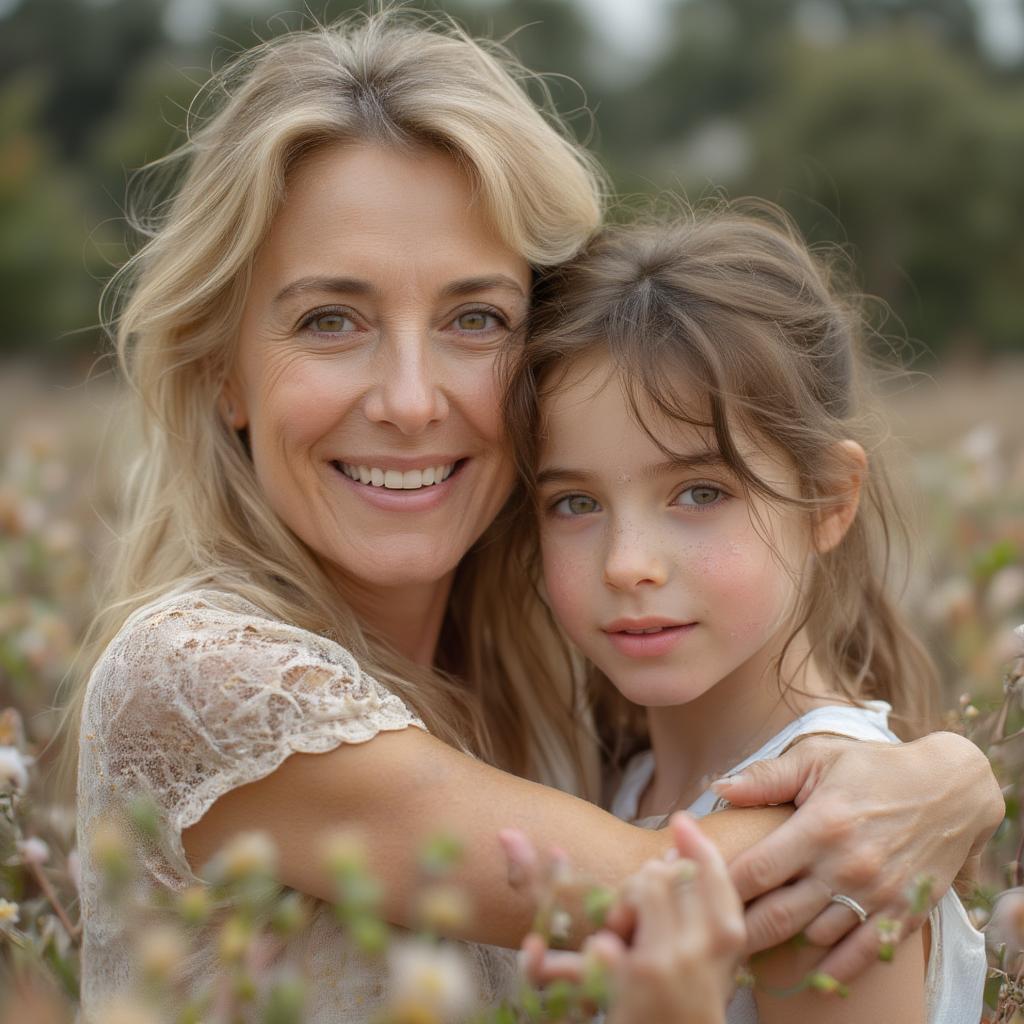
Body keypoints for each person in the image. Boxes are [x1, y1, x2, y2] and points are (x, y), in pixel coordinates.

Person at [59, 11, 1001, 1022]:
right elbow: (660, 887)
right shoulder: (201, 677)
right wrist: (940, 778)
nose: (412, 400)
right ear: (222, 375)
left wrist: (947, 772)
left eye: (475, 318)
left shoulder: (559, 682)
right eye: (331, 319)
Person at [501, 206, 989, 1021]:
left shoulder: (838, 848)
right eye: (575, 501)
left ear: (829, 502)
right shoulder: (625, 781)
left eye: (700, 493)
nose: (628, 563)